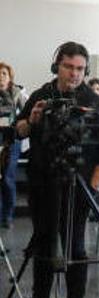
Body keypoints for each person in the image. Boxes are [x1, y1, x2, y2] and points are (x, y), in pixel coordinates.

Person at [12, 42, 99, 298]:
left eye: (80, 69)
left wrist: (92, 187)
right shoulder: (41, 95)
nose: (74, 74)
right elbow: (17, 131)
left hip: (77, 187)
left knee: (76, 248)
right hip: (42, 184)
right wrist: (30, 122)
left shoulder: (93, 101)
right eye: (69, 67)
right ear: (57, 65)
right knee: (43, 244)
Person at [0, 62, 25, 229]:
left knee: (7, 178)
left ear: (10, 78)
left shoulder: (18, 94)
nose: (1, 77)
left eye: (4, 74)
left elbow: (25, 117)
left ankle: (7, 216)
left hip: (11, 140)